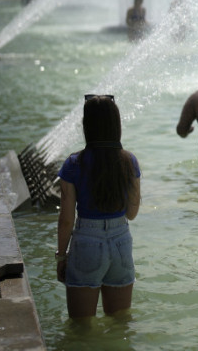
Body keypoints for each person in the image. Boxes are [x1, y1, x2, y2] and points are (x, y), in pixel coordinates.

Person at [56, 95, 142, 319]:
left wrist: (61, 257)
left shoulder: (74, 163)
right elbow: (132, 213)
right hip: (121, 242)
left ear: (87, 126)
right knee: (120, 325)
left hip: (87, 243)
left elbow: (66, 219)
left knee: (81, 328)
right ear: (116, 124)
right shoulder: (129, 162)